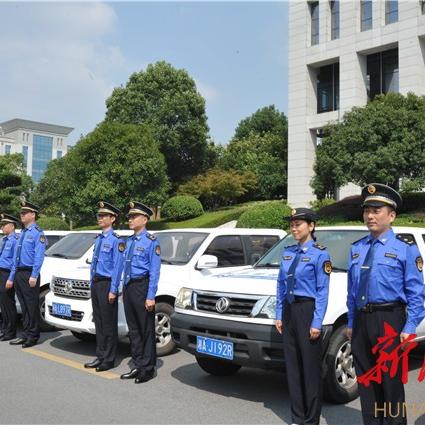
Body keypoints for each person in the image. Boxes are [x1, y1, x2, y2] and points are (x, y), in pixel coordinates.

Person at [347, 184, 425, 425]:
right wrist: (351, 322)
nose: (370, 216)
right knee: (367, 382)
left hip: (390, 320)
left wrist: (410, 327)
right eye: (366, 210)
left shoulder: (405, 249)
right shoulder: (357, 248)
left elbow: (417, 293)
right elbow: (351, 291)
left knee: (390, 383)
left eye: (376, 210)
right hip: (361, 321)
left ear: (391, 215)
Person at [275, 208, 331, 425]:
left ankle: (311, 419)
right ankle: (297, 417)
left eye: (298, 224)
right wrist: (279, 314)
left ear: (311, 226)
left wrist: (317, 321)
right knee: (293, 367)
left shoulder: (320, 254)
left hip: (307, 311)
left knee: (310, 368)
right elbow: (280, 285)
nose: (294, 228)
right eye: (292, 224)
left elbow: (322, 291)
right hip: (289, 311)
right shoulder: (288, 252)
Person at [120, 201, 161, 384]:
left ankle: (148, 368)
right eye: (129, 216)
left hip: (142, 287)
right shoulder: (128, 241)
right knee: (134, 329)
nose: (130, 219)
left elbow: (154, 271)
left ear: (144, 219)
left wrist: (151, 295)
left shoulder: (151, 242)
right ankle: (137, 364)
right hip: (129, 287)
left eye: (134, 216)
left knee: (145, 329)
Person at [84, 201, 124, 372]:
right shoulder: (99, 239)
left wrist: (114, 289)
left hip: (108, 284)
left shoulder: (116, 240)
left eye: (103, 216)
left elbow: (117, 267)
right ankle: (100, 356)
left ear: (112, 218)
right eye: (98, 215)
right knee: (99, 322)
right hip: (97, 283)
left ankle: (108, 359)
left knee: (108, 323)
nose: (99, 218)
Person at [8, 201, 46, 348]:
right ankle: (25, 334)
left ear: (33, 214)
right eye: (21, 213)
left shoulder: (37, 233)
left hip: (30, 273)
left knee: (31, 306)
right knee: (23, 306)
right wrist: (13, 275)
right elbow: (16, 257)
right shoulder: (22, 233)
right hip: (19, 272)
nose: (21, 215)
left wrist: (34, 275)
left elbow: (39, 256)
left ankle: (33, 335)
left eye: (25, 213)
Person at [0, 214, 20, 341]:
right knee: (3, 303)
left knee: (8, 303)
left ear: (12, 226)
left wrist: (11, 278)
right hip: (1, 272)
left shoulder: (15, 240)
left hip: (7, 274)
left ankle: (11, 331)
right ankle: (5, 328)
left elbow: (15, 262)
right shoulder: (4, 240)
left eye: (4, 225)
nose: (1, 227)